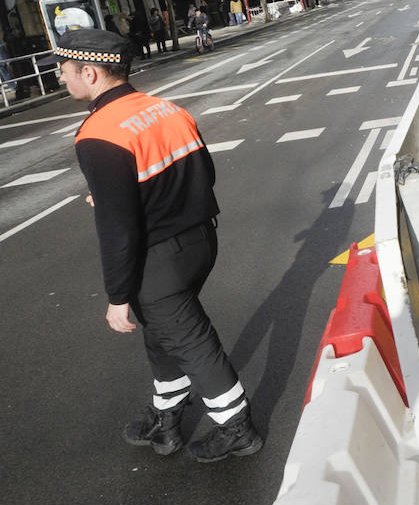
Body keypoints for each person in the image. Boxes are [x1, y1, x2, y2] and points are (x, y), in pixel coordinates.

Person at [52, 29, 262, 462]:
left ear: (88, 72)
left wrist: (117, 296)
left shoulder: (99, 134)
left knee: (191, 341)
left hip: (159, 260)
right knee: (164, 334)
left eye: (64, 70)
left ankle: (236, 427)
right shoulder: (164, 108)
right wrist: (123, 195)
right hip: (202, 240)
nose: (60, 77)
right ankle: (166, 416)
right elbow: (200, 172)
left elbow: (118, 227)